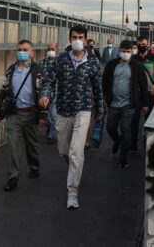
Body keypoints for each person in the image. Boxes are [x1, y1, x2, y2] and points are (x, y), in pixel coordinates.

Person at [40, 25, 105, 209]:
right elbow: (48, 80)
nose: (77, 40)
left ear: (85, 40)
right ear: (70, 39)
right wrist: (44, 94)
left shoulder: (92, 62)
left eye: (81, 37)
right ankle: (74, 170)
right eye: (74, 37)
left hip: (83, 111)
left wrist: (100, 110)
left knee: (76, 152)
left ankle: (72, 192)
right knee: (64, 151)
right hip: (63, 111)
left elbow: (98, 89)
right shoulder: (61, 60)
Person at [0, 40, 46, 192]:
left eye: (24, 49)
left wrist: (43, 114)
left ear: (31, 52)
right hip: (14, 114)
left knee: (32, 145)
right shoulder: (10, 70)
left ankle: (34, 166)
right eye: (19, 49)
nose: (21, 52)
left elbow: (44, 92)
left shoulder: (38, 70)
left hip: (31, 114)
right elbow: (3, 92)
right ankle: (13, 177)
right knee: (13, 147)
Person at [102, 40, 150, 168]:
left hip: (129, 104)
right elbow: (105, 81)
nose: (126, 54)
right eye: (124, 51)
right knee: (110, 128)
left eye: (128, 52)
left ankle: (123, 157)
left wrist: (145, 103)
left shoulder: (136, 66)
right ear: (119, 51)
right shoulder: (112, 65)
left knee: (126, 129)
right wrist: (102, 96)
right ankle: (117, 141)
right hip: (113, 103)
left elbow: (143, 85)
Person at [131, 36, 154, 152]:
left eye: (143, 44)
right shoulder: (133, 58)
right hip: (136, 93)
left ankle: (146, 142)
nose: (141, 46)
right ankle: (133, 143)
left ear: (147, 44)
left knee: (148, 119)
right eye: (139, 44)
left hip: (150, 92)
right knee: (134, 119)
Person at [39, 43, 59, 144]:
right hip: (44, 93)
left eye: (53, 49)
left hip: (56, 91)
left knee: (54, 114)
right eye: (49, 49)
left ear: (57, 50)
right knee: (46, 115)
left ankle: (51, 135)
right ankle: (51, 126)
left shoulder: (60, 62)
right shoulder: (42, 62)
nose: (50, 51)